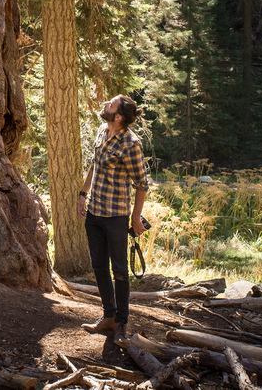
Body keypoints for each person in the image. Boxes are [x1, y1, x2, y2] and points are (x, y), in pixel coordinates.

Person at [77, 94, 148, 343]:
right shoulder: (101, 131)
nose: (105, 104)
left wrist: (136, 218)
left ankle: (121, 323)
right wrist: (82, 194)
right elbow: (94, 166)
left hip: (117, 216)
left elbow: (142, 184)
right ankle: (108, 315)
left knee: (119, 270)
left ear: (118, 116)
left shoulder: (131, 143)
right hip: (94, 212)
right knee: (98, 266)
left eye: (110, 104)